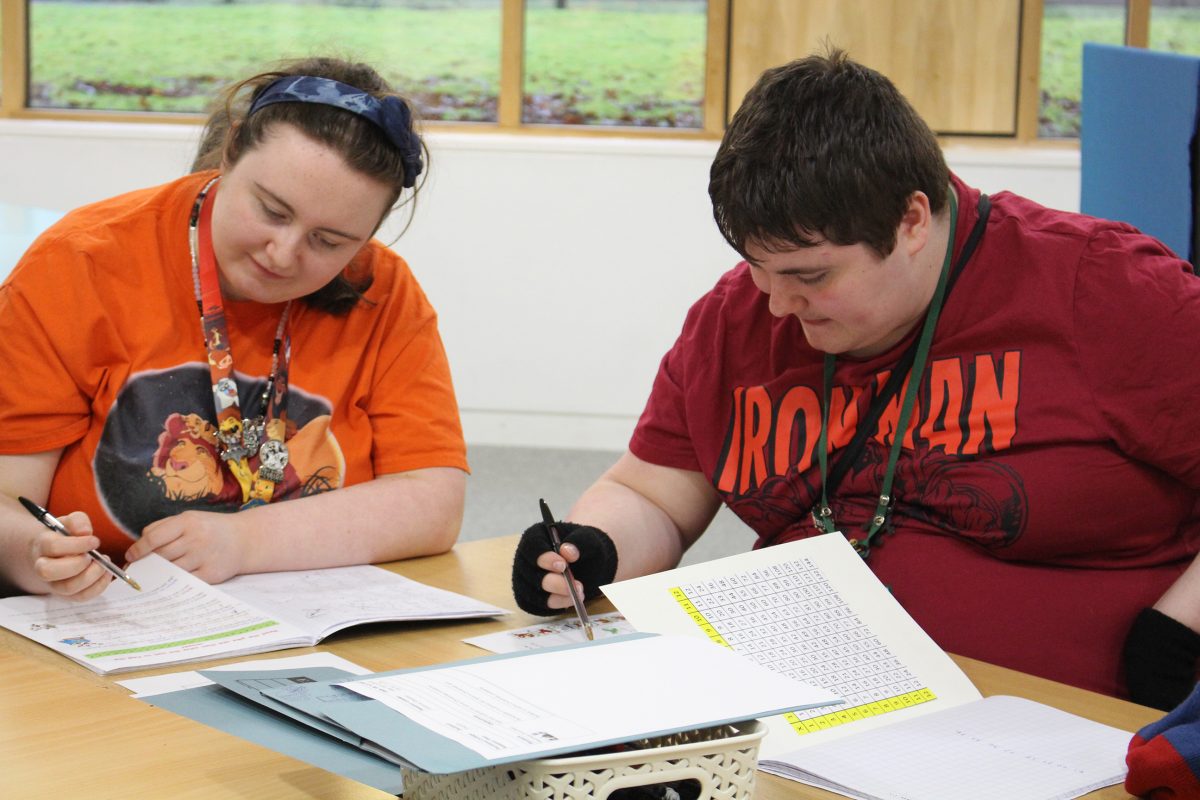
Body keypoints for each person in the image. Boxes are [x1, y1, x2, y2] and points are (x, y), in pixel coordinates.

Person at [512, 48, 1200, 710]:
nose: (777, 304)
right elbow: (652, 492)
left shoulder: (1105, 289)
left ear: (911, 221)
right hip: (796, 705)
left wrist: (1178, 635)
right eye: (758, 267)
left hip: (1054, 728)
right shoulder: (740, 313)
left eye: (810, 276)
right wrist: (592, 546)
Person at [0, 57, 468, 601]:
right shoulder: (79, 264)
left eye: (330, 241)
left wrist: (244, 541)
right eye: (271, 210)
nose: (284, 254)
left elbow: (435, 503)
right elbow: (9, 498)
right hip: (108, 618)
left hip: (309, 620)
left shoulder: (382, 290)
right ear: (230, 152)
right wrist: (35, 554)